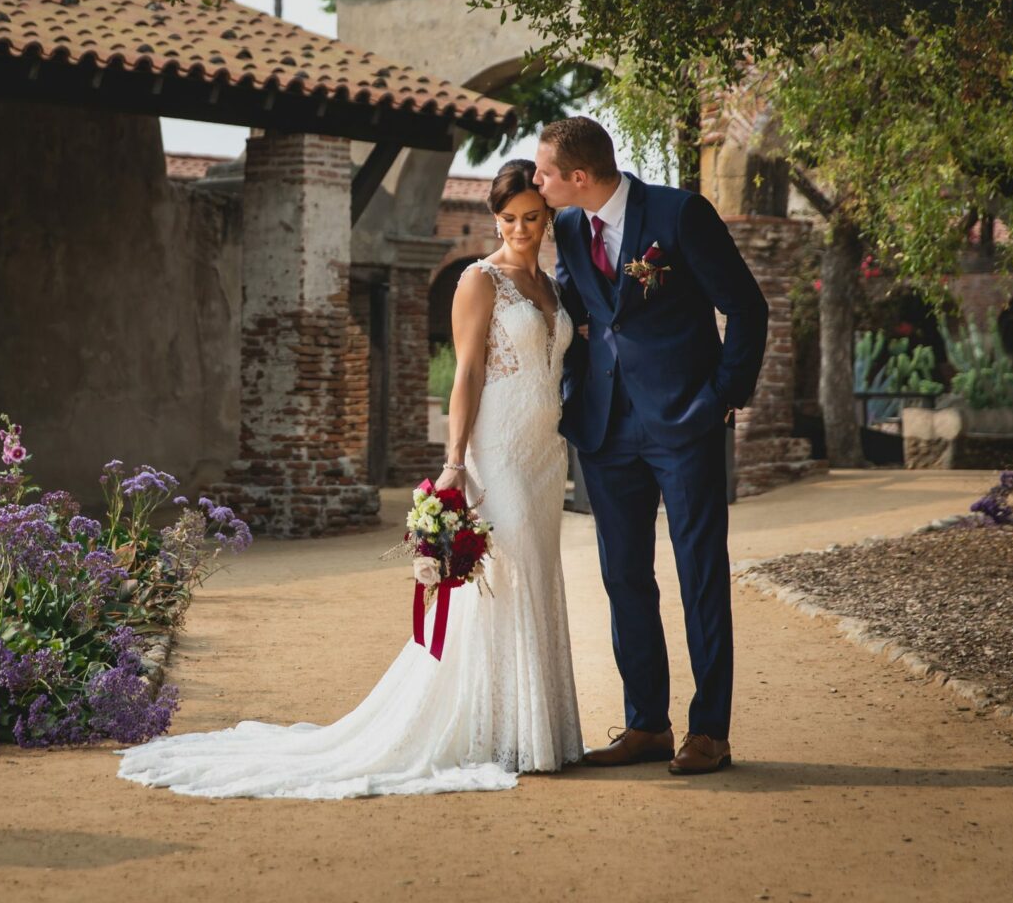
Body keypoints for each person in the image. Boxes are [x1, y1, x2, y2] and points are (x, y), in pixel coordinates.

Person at [115, 159, 584, 798]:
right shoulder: (479, 280)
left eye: (533, 217)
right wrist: (454, 462)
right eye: (509, 219)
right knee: (508, 573)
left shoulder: (556, 285)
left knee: (535, 573)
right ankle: (499, 736)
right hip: (496, 450)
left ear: (549, 215)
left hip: (543, 452)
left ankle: (535, 730)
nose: (522, 230)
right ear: (493, 218)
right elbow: (466, 374)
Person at [533, 117, 767, 775]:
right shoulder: (571, 228)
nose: (537, 181)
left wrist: (723, 395)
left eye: (544, 172)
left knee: (699, 576)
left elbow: (747, 306)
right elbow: (585, 311)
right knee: (624, 577)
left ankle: (710, 732)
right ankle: (647, 725)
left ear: (579, 176)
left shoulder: (679, 213)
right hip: (606, 429)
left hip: (685, 424)